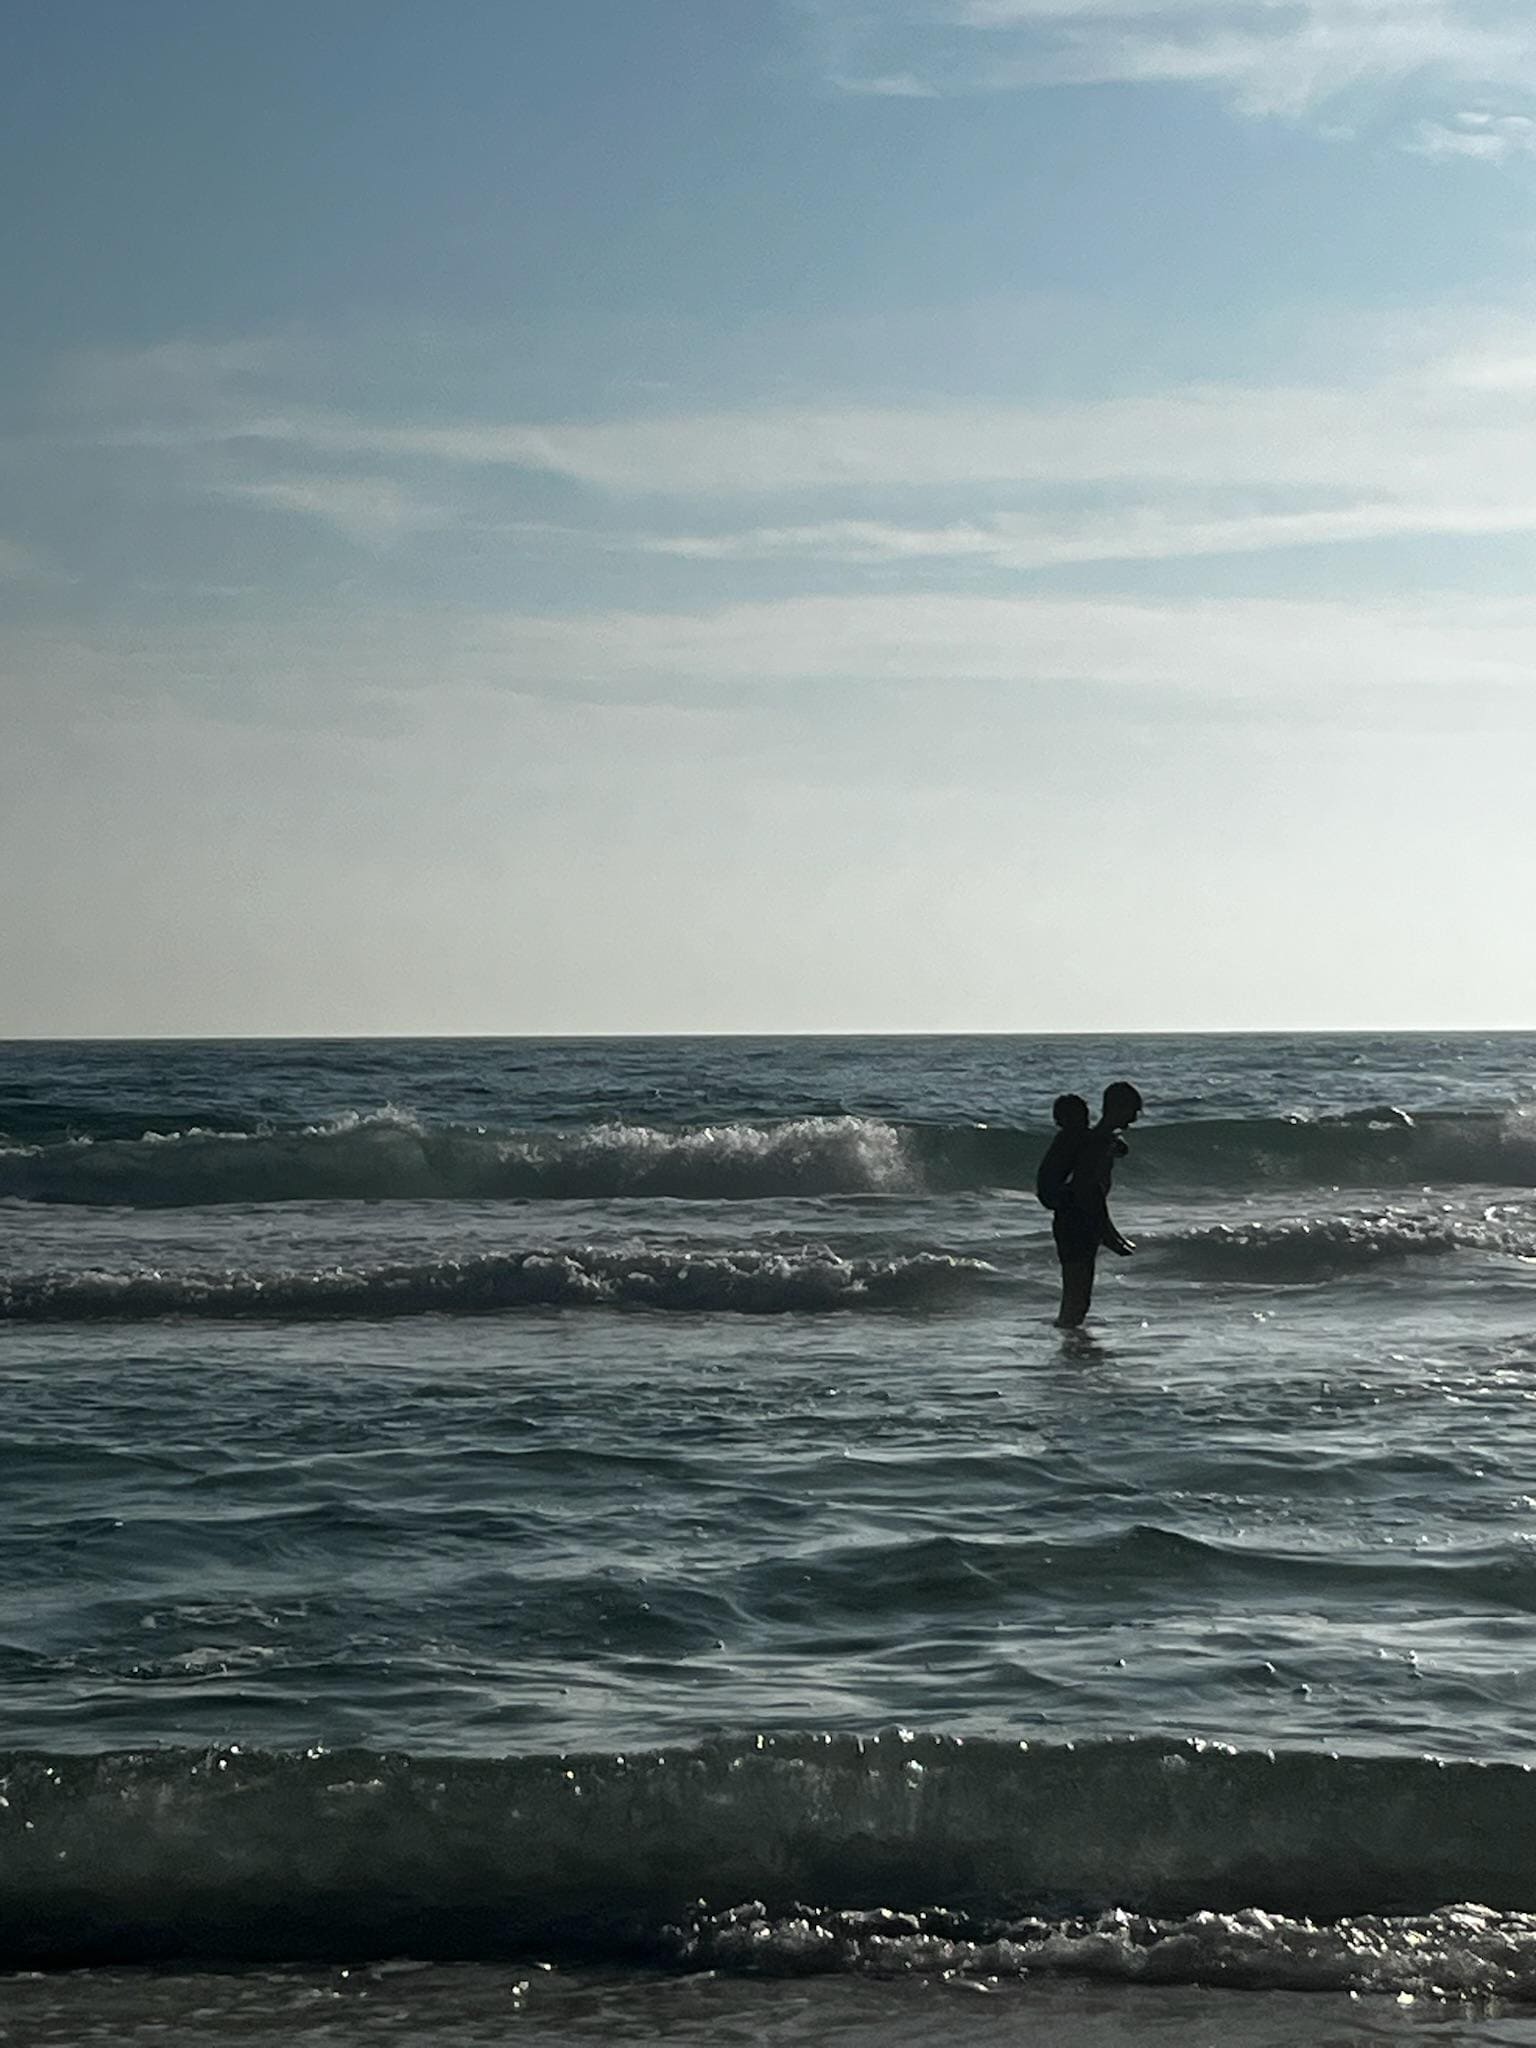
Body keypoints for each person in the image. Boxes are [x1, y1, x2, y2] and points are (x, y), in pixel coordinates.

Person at [1047, 1081, 1143, 1329]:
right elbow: (1089, 1192)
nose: (1135, 1117)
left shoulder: (1101, 1140)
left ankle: (1068, 1347)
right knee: (1076, 1300)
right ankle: (1067, 1354)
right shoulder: (1097, 1144)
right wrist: (1109, 1235)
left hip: (1076, 1220)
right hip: (1077, 1222)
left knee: (1077, 1299)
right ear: (1118, 1107)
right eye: (1133, 1110)